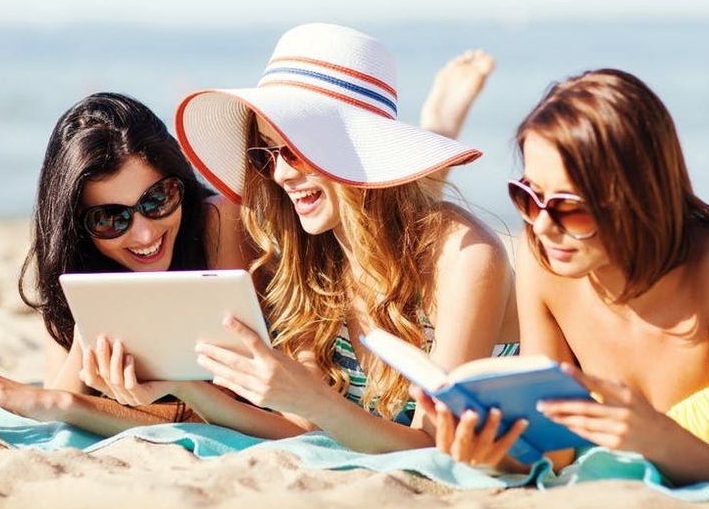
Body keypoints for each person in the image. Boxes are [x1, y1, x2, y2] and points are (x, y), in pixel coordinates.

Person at [422, 69, 709, 484]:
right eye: (528, 196)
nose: (543, 224)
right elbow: (559, 447)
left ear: (635, 196)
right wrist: (494, 456)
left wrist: (654, 438)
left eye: (569, 207)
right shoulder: (544, 260)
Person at [137, 23, 519, 451]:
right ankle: (438, 124)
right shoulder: (312, 259)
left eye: (293, 152)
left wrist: (314, 400)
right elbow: (305, 428)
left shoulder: (466, 255)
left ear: (355, 145)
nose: (280, 174)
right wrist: (183, 387)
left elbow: (438, 444)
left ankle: (439, 124)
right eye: (266, 154)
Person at [0, 93, 251, 434]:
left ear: (179, 185)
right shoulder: (74, 262)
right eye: (110, 218)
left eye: (157, 199)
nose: (144, 234)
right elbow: (60, 396)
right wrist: (93, 323)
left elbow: (229, 408)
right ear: (78, 225)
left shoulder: (217, 222)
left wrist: (64, 404)